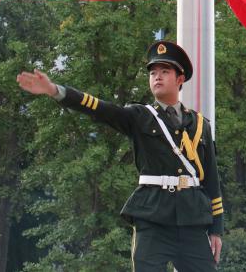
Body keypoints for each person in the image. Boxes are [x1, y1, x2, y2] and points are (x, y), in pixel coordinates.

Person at [17, 40, 224, 272]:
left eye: (165, 71)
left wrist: (216, 229)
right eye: (153, 72)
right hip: (153, 220)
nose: (157, 76)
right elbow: (99, 108)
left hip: (191, 222)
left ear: (180, 79)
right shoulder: (140, 116)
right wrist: (55, 90)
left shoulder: (200, 124)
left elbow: (211, 180)